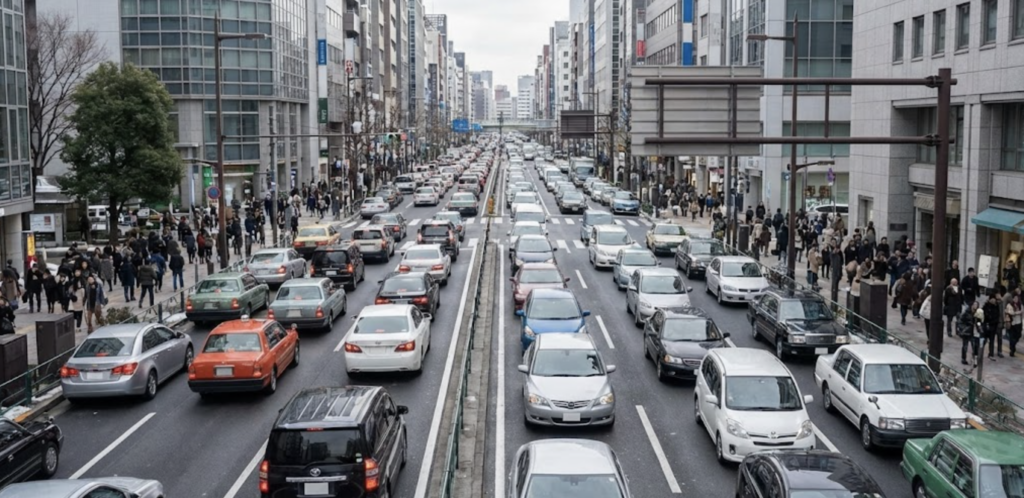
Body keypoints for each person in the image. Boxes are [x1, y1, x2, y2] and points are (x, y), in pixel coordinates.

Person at [958, 301, 981, 365]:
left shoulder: (978, 314)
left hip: (974, 332)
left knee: (975, 346)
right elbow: (960, 321)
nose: (975, 306)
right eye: (974, 304)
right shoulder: (966, 312)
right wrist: (964, 328)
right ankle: (963, 358)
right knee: (965, 346)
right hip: (967, 331)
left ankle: (974, 360)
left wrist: (979, 328)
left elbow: (979, 322)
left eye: (977, 305)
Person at [983, 293, 1003, 360]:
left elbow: (998, 314)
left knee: (992, 340)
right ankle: (978, 351)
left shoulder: (996, 306)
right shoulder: (986, 306)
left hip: (994, 325)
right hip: (987, 325)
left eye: (994, 299)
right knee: (984, 340)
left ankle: (991, 354)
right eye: (992, 299)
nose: (993, 300)